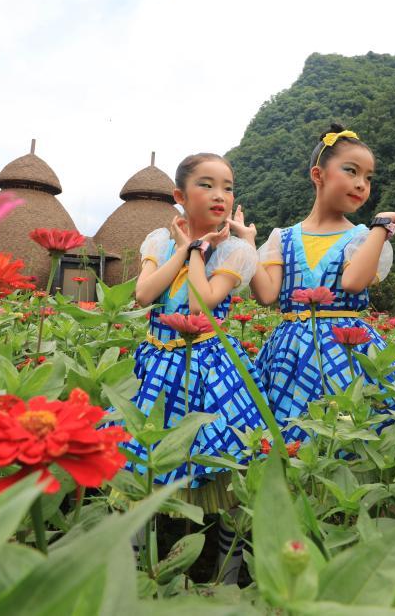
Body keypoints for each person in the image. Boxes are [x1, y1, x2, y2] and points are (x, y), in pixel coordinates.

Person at [125, 152, 263, 583]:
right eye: (207, 185)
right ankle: (131, 569)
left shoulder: (237, 251)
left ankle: (226, 575)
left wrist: (201, 254)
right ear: (180, 196)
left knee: (224, 465)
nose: (219, 195)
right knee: (142, 460)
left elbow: (205, 301)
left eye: (227, 186)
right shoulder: (157, 241)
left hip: (210, 364)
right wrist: (184, 248)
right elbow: (144, 294)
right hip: (158, 362)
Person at [249, 124, 395, 443]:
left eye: (368, 178)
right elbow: (267, 295)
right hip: (290, 355)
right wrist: (246, 246)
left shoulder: (362, 238)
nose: (361, 184)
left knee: (354, 433)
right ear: (319, 175)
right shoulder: (281, 239)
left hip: (348, 348)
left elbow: (354, 283)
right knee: (291, 433)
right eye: (351, 171)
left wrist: (382, 225)